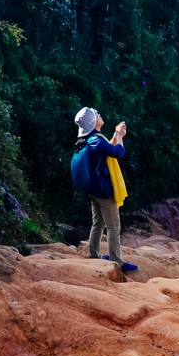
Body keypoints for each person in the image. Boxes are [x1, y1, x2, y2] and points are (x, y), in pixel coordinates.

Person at [71, 107, 136, 273]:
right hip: (103, 190)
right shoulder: (96, 140)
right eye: (96, 115)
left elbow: (107, 148)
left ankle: (94, 254)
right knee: (113, 226)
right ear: (93, 122)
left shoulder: (89, 139)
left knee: (98, 223)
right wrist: (120, 137)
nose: (100, 115)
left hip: (93, 190)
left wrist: (116, 135)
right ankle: (117, 261)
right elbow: (118, 152)